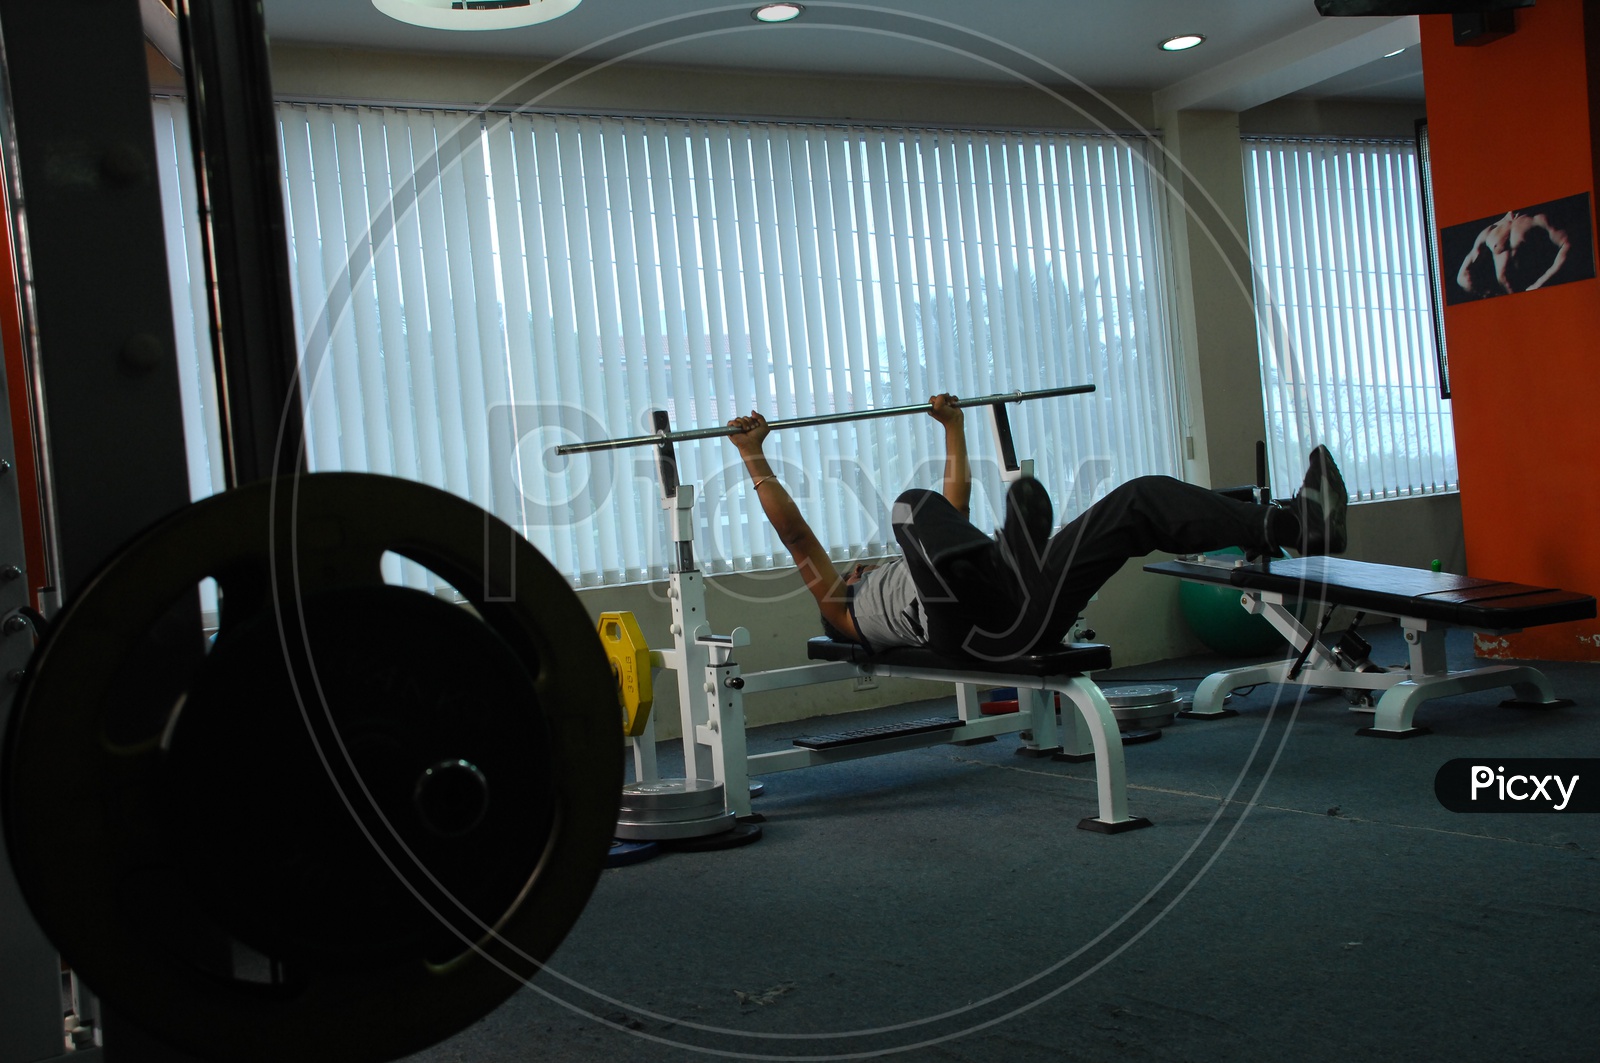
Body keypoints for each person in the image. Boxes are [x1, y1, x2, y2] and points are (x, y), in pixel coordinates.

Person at [726, 395, 1348, 662]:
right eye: (855, 571)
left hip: (1019, 607)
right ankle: (1011, 560)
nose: (857, 567)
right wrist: (753, 455)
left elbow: (955, 500)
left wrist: (953, 428)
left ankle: (1292, 522)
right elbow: (799, 539)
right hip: (963, 632)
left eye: (859, 567)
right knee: (911, 507)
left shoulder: (933, 557)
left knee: (1137, 500)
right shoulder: (844, 611)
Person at [1456, 209, 1572, 297]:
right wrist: (1486, 293)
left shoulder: (1538, 218)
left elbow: (1567, 245)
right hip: (1508, 300)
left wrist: (1539, 284)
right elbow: (1462, 275)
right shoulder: (1491, 230)